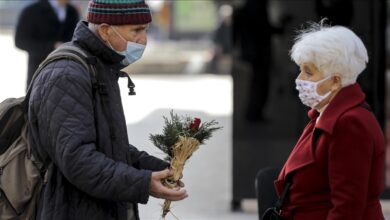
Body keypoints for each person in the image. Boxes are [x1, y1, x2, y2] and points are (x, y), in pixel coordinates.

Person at [28, 0, 188, 219]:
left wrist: (159, 168)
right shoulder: (66, 75)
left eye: (146, 30)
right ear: (105, 30)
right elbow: (78, 159)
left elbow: (108, 144)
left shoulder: (99, 65)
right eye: (136, 30)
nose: (143, 40)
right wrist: (142, 183)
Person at [274, 21, 385, 219]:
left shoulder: (349, 123)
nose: (300, 78)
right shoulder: (325, 113)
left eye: (308, 71)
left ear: (335, 80)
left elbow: (347, 209)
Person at [15, 0, 80, 89]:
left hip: (67, 72)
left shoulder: (72, 11)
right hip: (38, 71)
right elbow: (20, 41)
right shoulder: (32, 11)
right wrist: (52, 46)